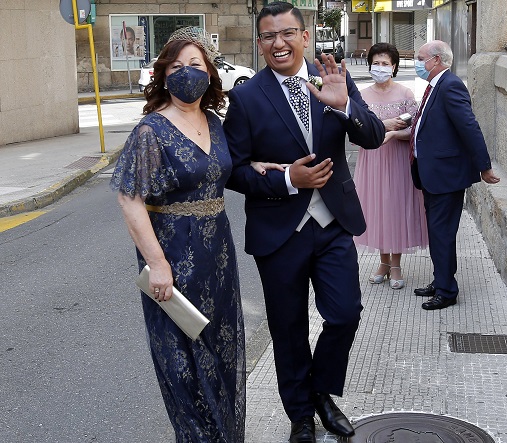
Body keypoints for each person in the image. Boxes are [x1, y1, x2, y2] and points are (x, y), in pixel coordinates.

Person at [223, 3, 385, 443]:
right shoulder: (246, 98)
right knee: (288, 327)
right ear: (260, 44)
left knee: (346, 313)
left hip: (333, 224)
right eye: (269, 36)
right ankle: (300, 416)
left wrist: (347, 102)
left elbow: (372, 136)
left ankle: (320, 391)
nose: (279, 43)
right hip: (279, 231)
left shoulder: (331, 77)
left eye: (287, 33)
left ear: (305, 36)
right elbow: (234, 170)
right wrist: (287, 178)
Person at [109, 27, 266, 442]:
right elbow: (130, 200)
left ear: (210, 73)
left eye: (195, 65)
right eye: (176, 66)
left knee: (222, 349)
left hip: (218, 255)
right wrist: (157, 264)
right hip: (174, 257)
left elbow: (220, 171)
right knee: (183, 363)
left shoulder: (214, 122)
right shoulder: (150, 131)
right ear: (162, 74)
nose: (186, 73)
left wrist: (259, 167)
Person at [410, 40, 500, 310]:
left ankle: (447, 291)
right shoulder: (434, 87)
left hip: (446, 176)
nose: (417, 63)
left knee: (442, 233)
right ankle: (441, 281)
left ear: (436, 60)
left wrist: (484, 166)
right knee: (437, 233)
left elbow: (469, 126)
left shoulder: (450, 86)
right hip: (432, 173)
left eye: (420, 58)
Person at [353, 42, 428, 290]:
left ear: (394, 67)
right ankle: (383, 262)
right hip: (372, 158)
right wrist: (384, 125)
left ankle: (395, 264)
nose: (381, 67)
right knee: (376, 207)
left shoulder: (406, 94)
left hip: (397, 159)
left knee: (396, 207)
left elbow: (416, 129)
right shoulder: (362, 96)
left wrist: (396, 134)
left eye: (385, 63)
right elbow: (357, 129)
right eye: (376, 63)